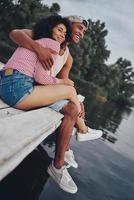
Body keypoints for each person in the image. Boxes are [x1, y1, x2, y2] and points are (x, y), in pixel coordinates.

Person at [8, 15, 103, 193]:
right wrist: (38, 49)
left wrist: (74, 98)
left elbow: (62, 80)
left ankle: (58, 165)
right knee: (71, 96)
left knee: (74, 107)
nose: (82, 33)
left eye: (84, 31)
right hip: (28, 85)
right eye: (80, 28)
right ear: (68, 23)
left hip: (42, 88)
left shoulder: (68, 58)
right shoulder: (43, 36)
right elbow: (15, 33)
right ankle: (81, 132)